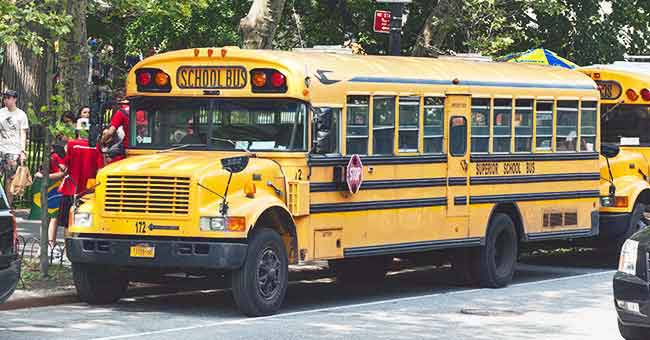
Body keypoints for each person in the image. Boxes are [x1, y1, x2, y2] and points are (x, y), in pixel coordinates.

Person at [0, 90, 29, 205]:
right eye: (5, 98)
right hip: (1, 148)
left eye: (8, 98)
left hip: (13, 151)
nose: (6, 100)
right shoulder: (1, 112)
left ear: (15, 99)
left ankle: (8, 207)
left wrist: (22, 151)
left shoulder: (21, 114)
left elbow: (23, 134)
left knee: (10, 180)